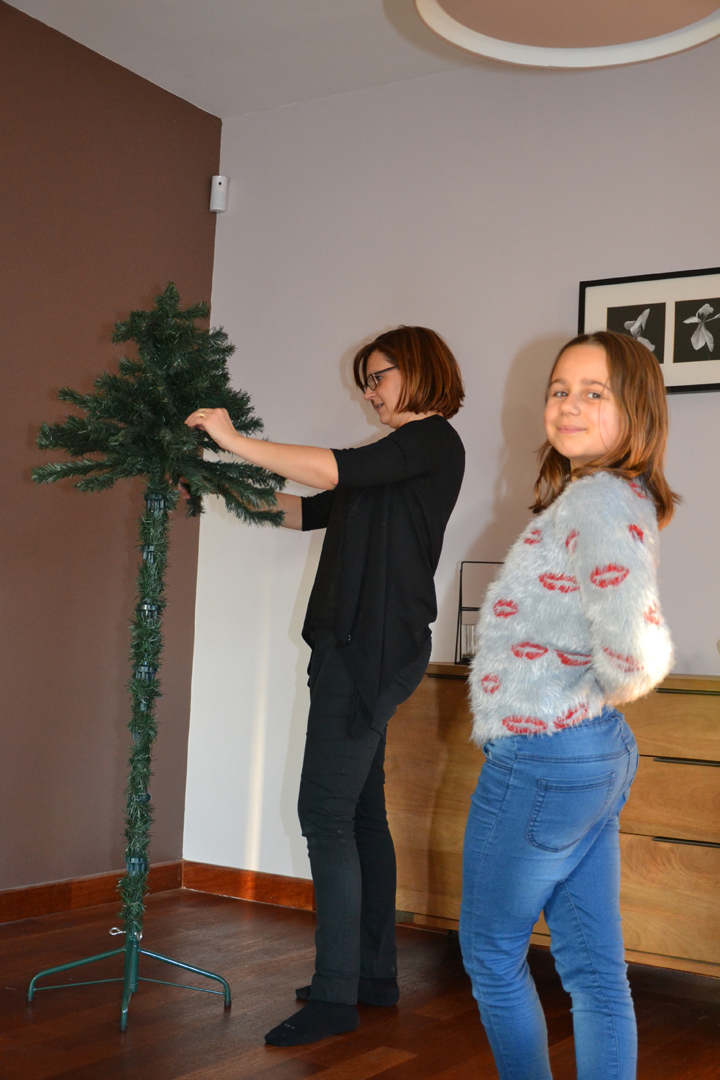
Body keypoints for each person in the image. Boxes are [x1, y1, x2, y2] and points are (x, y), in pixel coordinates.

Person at [185, 326, 465, 1046]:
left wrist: (233, 440)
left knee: (325, 814)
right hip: (357, 646)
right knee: (360, 813)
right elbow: (304, 509)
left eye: (378, 377)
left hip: (367, 650)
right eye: (365, 381)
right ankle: (371, 977)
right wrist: (216, 481)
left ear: (418, 369)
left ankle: (337, 995)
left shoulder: (432, 441)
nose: (369, 393)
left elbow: (334, 470)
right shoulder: (394, 463)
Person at [461, 330, 677, 1080]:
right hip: (592, 751)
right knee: (594, 970)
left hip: (545, 756)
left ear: (636, 410)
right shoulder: (617, 495)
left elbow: (636, 652)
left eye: (594, 392)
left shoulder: (596, 499)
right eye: (560, 390)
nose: (569, 405)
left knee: (491, 952)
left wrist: (587, 683)